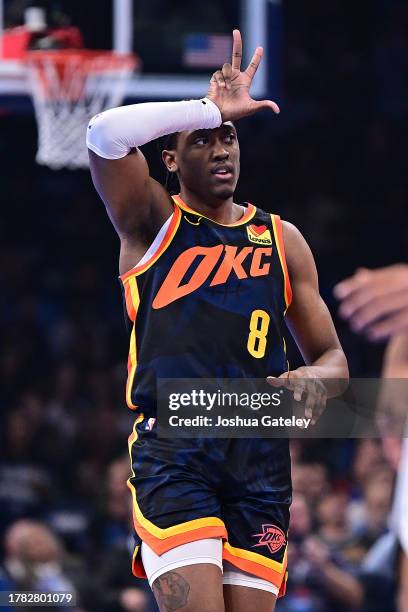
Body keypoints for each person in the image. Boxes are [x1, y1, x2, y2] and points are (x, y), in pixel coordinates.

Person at [87, 29, 348, 612]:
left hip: (260, 457)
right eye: (203, 140)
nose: (222, 147)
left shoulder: (282, 238)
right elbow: (103, 134)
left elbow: (334, 360)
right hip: (177, 449)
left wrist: (314, 382)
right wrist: (206, 106)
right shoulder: (151, 221)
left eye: (228, 137)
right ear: (171, 160)